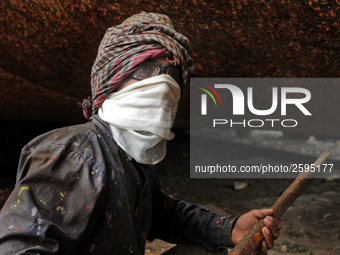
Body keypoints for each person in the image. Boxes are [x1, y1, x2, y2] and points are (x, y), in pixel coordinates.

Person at [0, 12, 281, 255]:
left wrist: (229, 229)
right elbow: (17, 247)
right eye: (145, 69)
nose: (161, 86)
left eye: (171, 75)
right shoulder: (78, 152)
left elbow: (162, 215)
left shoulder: (128, 158)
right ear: (111, 80)